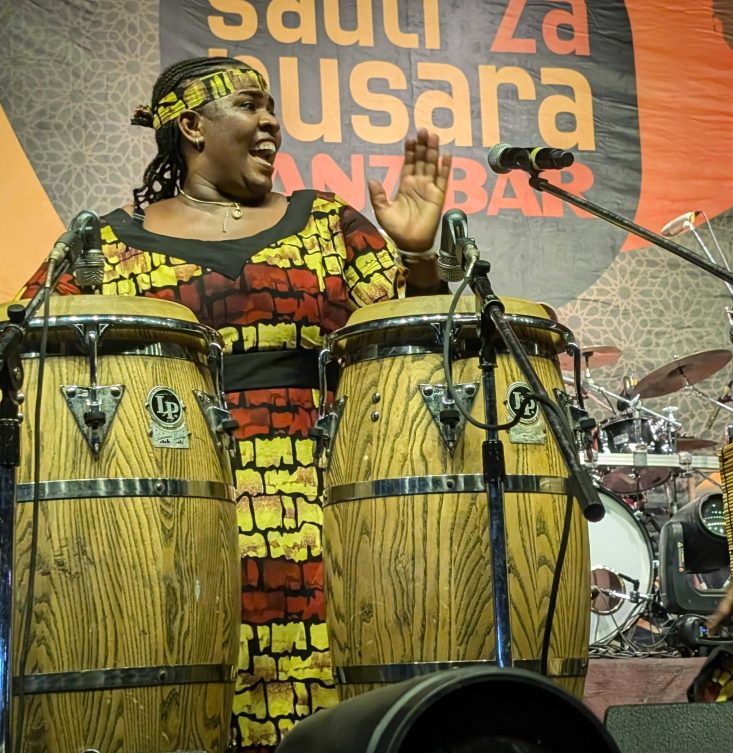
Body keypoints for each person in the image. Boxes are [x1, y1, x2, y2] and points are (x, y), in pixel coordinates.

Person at [19, 56, 451, 751]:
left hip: (328, 513)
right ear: (191, 125)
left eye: (271, 107)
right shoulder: (105, 244)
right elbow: (22, 348)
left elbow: (416, 351)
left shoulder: (328, 224)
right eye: (249, 105)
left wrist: (420, 255)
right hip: (164, 519)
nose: (271, 121)